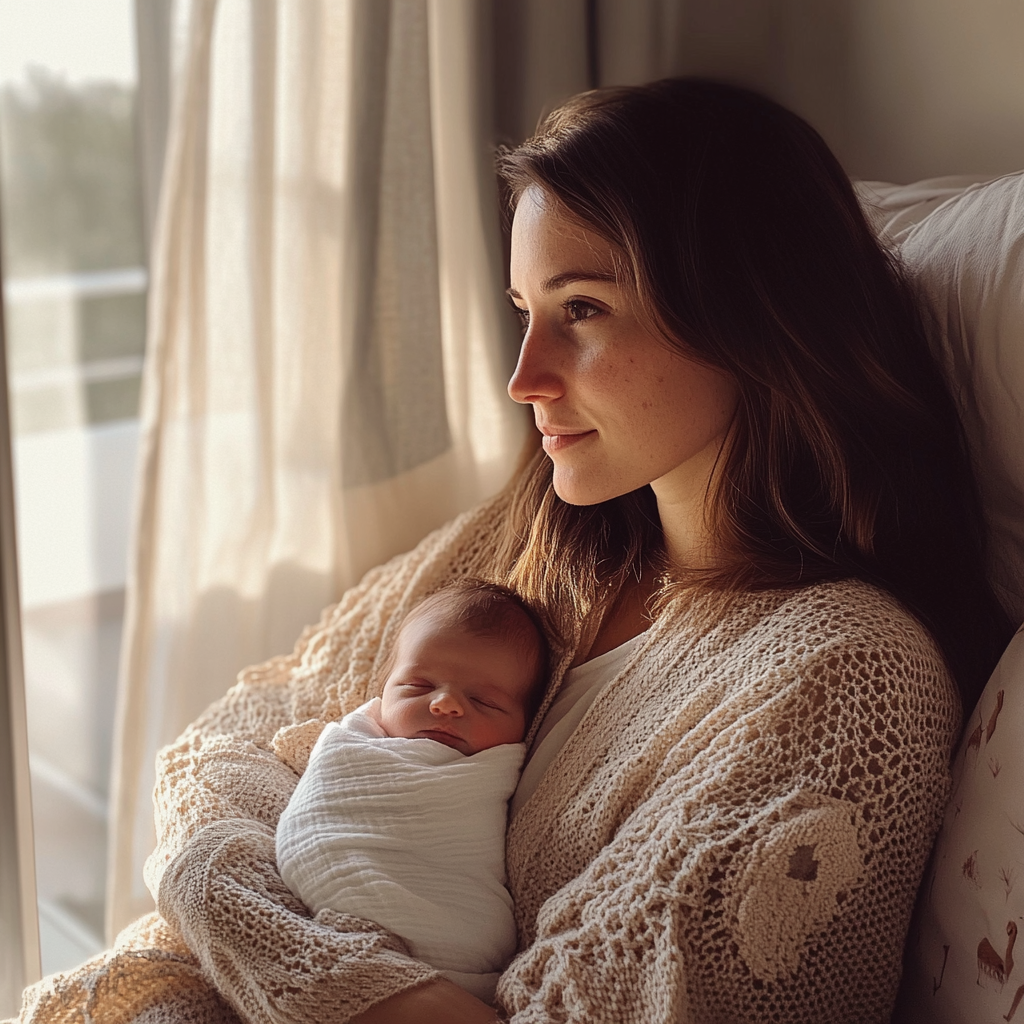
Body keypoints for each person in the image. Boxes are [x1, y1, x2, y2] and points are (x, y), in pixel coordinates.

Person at [13, 77, 1014, 1024]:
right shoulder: (537, 540)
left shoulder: (845, 679)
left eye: (580, 310)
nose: (524, 376)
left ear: (753, 312)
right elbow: (236, 738)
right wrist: (293, 946)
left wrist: (248, 919)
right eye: (525, 313)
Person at [274, 579, 547, 1004]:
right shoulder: (355, 743)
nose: (446, 705)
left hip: (454, 951)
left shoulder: (492, 771)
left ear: (525, 724)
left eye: (485, 702)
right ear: (382, 694)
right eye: (418, 687)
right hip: (323, 916)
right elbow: (317, 809)